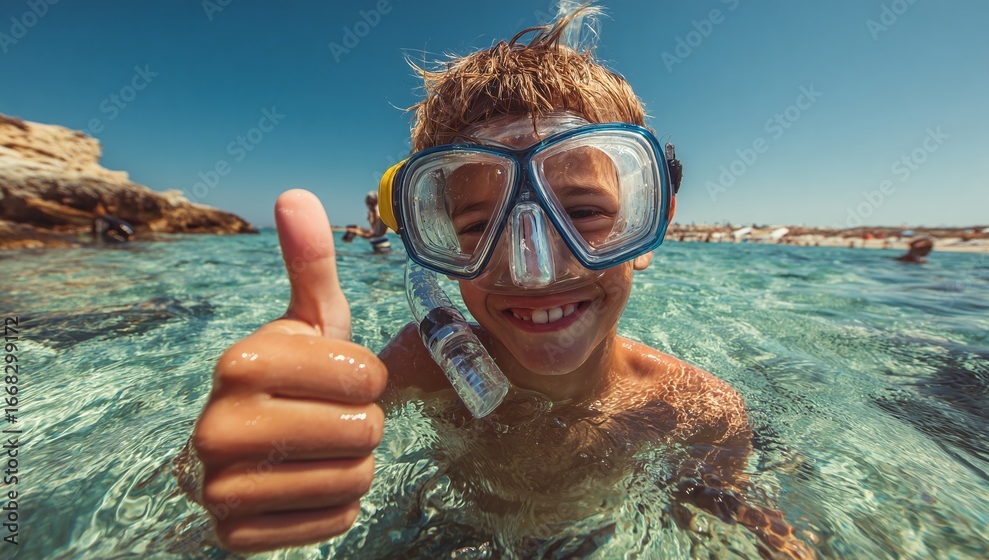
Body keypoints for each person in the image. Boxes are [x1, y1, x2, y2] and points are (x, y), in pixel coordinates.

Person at [189, 7, 812, 558]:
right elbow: (269, 462)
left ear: (649, 224)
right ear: (432, 238)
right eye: (477, 225)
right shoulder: (424, 364)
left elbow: (740, 529)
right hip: (448, 531)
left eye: (584, 213)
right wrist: (237, 457)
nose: (534, 268)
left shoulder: (695, 411)